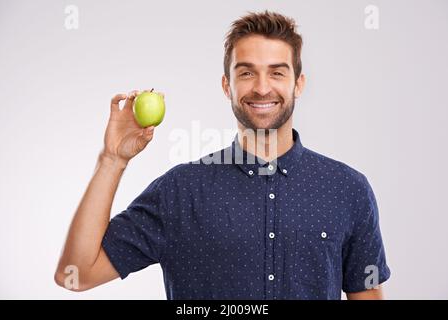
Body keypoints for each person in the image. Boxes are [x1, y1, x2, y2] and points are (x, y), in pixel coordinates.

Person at [55, 10, 390, 300]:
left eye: (277, 72)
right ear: (226, 86)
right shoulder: (179, 191)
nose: (261, 87)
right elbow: (76, 273)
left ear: (298, 84)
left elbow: (368, 293)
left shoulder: (348, 189)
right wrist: (112, 160)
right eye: (246, 73)